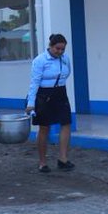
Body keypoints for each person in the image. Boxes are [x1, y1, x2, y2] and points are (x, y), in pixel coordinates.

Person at [26, 33, 74, 172]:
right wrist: (31, 103)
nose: (59, 52)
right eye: (57, 49)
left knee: (66, 123)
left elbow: (67, 72)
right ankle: (42, 162)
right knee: (44, 127)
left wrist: (59, 83)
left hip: (60, 93)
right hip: (44, 95)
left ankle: (63, 158)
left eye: (62, 49)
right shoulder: (40, 60)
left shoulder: (65, 59)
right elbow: (34, 82)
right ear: (50, 46)